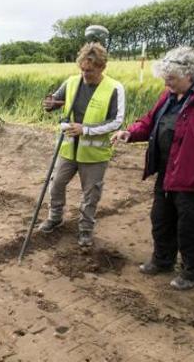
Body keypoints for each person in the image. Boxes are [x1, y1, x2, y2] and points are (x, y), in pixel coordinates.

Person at [112, 46, 194, 290]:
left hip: (193, 178)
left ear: (189, 74)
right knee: (161, 218)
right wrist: (131, 132)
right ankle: (163, 259)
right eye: (166, 79)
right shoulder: (169, 95)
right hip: (168, 171)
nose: (167, 84)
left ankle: (193, 271)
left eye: (172, 79)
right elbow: (150, 121)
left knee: (191, 227)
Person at [39, 42, 125, 246]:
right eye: (83, 69)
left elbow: (116, 121)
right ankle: (55, 217)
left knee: (90, 194)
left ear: (102, 67)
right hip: (68, 148)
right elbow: (54, 102)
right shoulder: (71, 82)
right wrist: (49, 104)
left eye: (90, 70)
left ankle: (86, 229)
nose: (85, 74)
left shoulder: (114, 88)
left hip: (94, 154)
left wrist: (85, 129)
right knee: (56, 184)